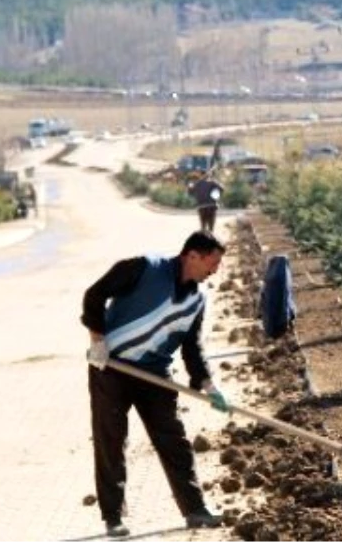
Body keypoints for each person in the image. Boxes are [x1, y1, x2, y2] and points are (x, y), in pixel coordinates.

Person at [82, 230, 230, 537]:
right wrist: (98, 339)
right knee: (111, 442)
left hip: (154, 374)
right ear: (192, 255)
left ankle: (195, 511)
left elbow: (191, 347)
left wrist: (207, 384)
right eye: (212, 263)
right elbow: (94, 294)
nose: (215, 270)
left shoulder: (195, 301)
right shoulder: (144, 267)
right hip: (111, 368)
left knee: (174, 442)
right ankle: (113, 517)